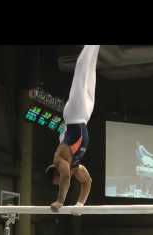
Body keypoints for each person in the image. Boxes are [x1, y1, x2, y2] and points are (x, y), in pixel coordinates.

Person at [46, 45, 100, 212]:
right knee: (91, 70)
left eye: (57, 181)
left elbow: (66, 176)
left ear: (55, 172)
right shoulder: (75, 166)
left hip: (75, 114)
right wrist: (80, 204)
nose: (60, 182)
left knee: (82, 65)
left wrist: (60, 201)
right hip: (85, 116)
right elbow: (87, 182)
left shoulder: (59, 159)